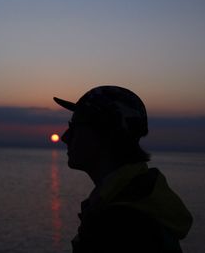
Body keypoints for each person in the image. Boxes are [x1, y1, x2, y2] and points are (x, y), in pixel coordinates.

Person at [53, 86, 193, 253]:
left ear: (105, 134)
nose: (65, 137)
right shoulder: (137, 199)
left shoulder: (120, 225)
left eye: (75, 127)